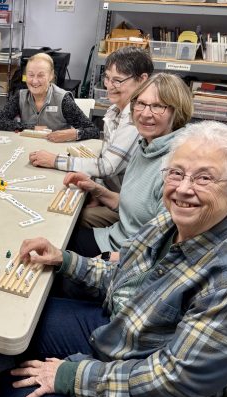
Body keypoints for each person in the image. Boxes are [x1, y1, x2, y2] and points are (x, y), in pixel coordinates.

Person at [0, 120, 227, 397]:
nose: (183, 188)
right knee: (23, 323)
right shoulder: (169, 221)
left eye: (204, 178)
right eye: (176, 173)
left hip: (148, 372)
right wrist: (66, 260)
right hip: (125, 329)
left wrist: (73, 376)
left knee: (8, 390)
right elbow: (123, 274)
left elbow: (173, 381)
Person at [65, 73, 193, 259]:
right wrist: (97, 190)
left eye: (158, 106)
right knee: (60, 233)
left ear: (177, 111)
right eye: (141, 103)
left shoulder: (176, 167)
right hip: (115, 237)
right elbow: (136, 209)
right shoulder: (146, 146)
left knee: (56, 252)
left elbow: (159, 251)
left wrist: (105, 261)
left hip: (125, 256)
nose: (145, 113)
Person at [28, 47, 153, 213]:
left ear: (142, 79)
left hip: (125, 204)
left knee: (68, 215)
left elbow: (106, 167)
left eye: (117, 80)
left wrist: (54, 161)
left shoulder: (137, 117)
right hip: (110, 194)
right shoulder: (115, 110)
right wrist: (97, 190)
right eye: (107, 78)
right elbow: (107, 168)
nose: (109, 85)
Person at [0, 52, 99, 144]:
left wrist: (73, 134)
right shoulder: (20, 96)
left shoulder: (63, 99)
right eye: (31, 75)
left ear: (51, 75)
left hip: (54, 151)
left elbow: (93, 130)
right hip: (27, 148)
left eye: (40, 75)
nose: (34, 81)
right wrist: (31, 128)